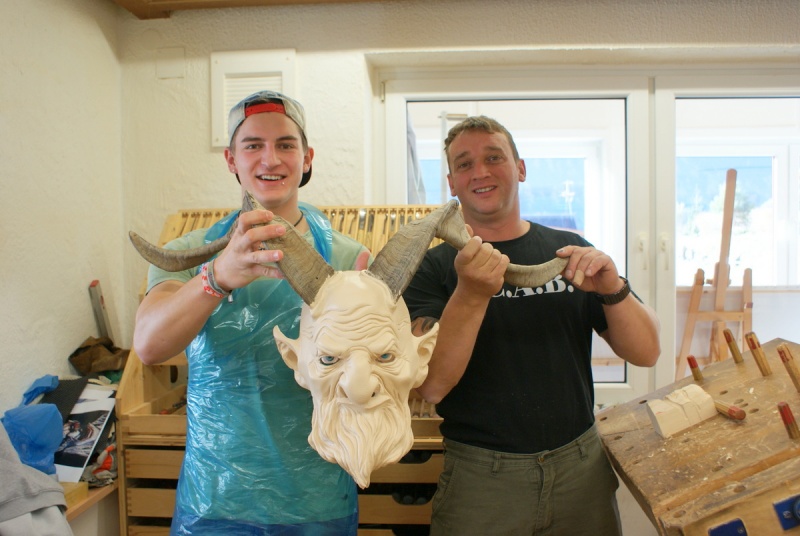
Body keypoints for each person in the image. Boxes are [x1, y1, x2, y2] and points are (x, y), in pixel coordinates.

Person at [403, 115, 661, 535]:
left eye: (494, 157)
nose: (480, 171)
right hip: (481, 482)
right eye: (465, 164)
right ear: (451, 183)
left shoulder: (568, 252)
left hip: (581, 471)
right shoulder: (431, 269)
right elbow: (430, 385)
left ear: (520, 168)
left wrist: (612, 287)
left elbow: (647, 352)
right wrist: (470, 294)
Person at [133, 90, 370, 535]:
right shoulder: (187, 253)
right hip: (215, 502)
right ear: (231, 159)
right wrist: (216, 277)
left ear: (307, 158)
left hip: (318, 499)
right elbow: (149, 346)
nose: (270, 159)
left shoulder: (348, 257)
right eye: (253, 145)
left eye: (286, 145)